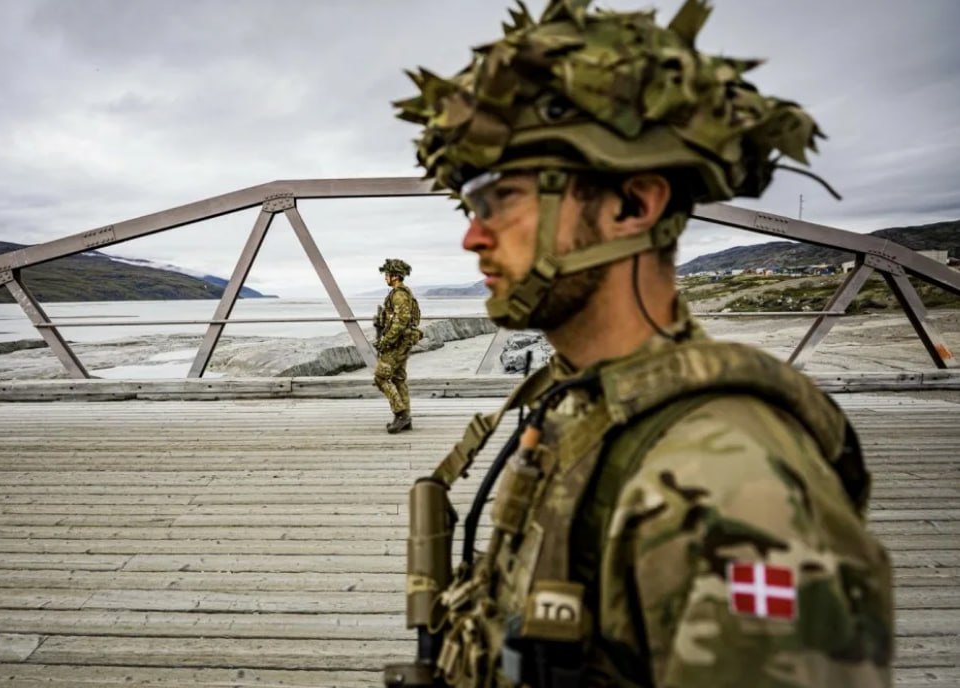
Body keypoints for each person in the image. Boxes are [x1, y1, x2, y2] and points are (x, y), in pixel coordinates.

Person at [384, 1, 893, 686]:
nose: (472, 237)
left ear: (634, 204)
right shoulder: (584, 397)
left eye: (499, 199)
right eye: (472, 207)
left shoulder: (733, 488)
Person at [374, 258, 423, 434]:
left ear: (395, 276)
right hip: (402, 341)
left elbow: (400, 322)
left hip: (397, 343)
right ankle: (406, 418)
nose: (385, 277)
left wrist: (385, 341)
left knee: (381, 377)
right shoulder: (400, 293)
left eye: (387, 274)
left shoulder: (399, 295)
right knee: (398, 378)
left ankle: (400, 413)